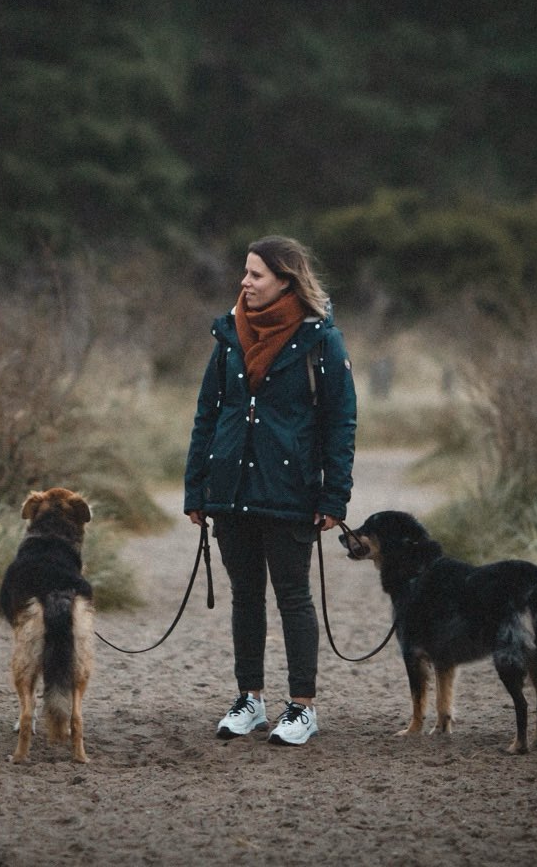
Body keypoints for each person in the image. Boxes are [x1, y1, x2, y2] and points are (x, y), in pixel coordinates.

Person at [183, 236, 357, 746]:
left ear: (286, 279)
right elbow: (207, 414)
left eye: (256, 274)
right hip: (230, 488)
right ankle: (250, 699)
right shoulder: (229, 336)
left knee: (294, 598)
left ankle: (302, 707)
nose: (245, 282)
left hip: (291, 490)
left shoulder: (321, 340)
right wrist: (197, 487)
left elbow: (340, 422)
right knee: (245, 597)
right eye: (244, 272)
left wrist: (334, 496)